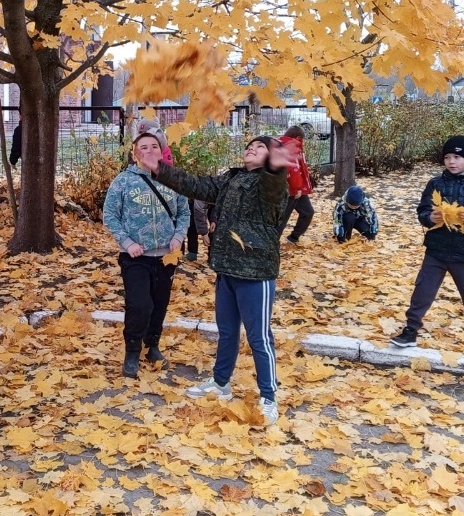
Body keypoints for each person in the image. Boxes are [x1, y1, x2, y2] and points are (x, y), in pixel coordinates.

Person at [134, 136, 291, 426]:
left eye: (260, 148)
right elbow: (196, 186)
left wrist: (277, 170)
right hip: (226, 269)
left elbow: (273, 188)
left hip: (255, 273)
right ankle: (221, 383)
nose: (251, 149)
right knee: (227, 332)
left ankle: (269, 397)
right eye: (250, 145)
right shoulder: (231, 179)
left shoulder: (269, 186)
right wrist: (160, 169)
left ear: (271, 159)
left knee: (259, 338)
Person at [390, 135, 464, 361]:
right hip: (436, 251)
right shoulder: (436, 184)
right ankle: (410, 331)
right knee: (422, 291)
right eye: (447, 157)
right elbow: (422, 212)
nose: (451, 161)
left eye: (457, 157)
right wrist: (429, 217)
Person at [103, 133, 190, 378]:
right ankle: (132, 350)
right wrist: (127, 242)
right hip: (135, 256)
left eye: (155, 146)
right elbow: (110, 215)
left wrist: (178, 236)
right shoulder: (123, 181)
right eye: (144, 147)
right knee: (139, 304)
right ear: (135, 153)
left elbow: (184, 212)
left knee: (159, 304)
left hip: (166, 256)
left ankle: (152, 345)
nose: (150, 150)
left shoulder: (173, 179)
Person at [278, 126, 314, 244]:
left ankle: (293, 237)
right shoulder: (290, 146)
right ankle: (271, 244)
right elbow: (293, 169)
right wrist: (297, 188)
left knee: (307, 212)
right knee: (282, 218)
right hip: (292, 190)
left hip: (297, 188)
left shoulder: (285, 145)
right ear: (298, 137)